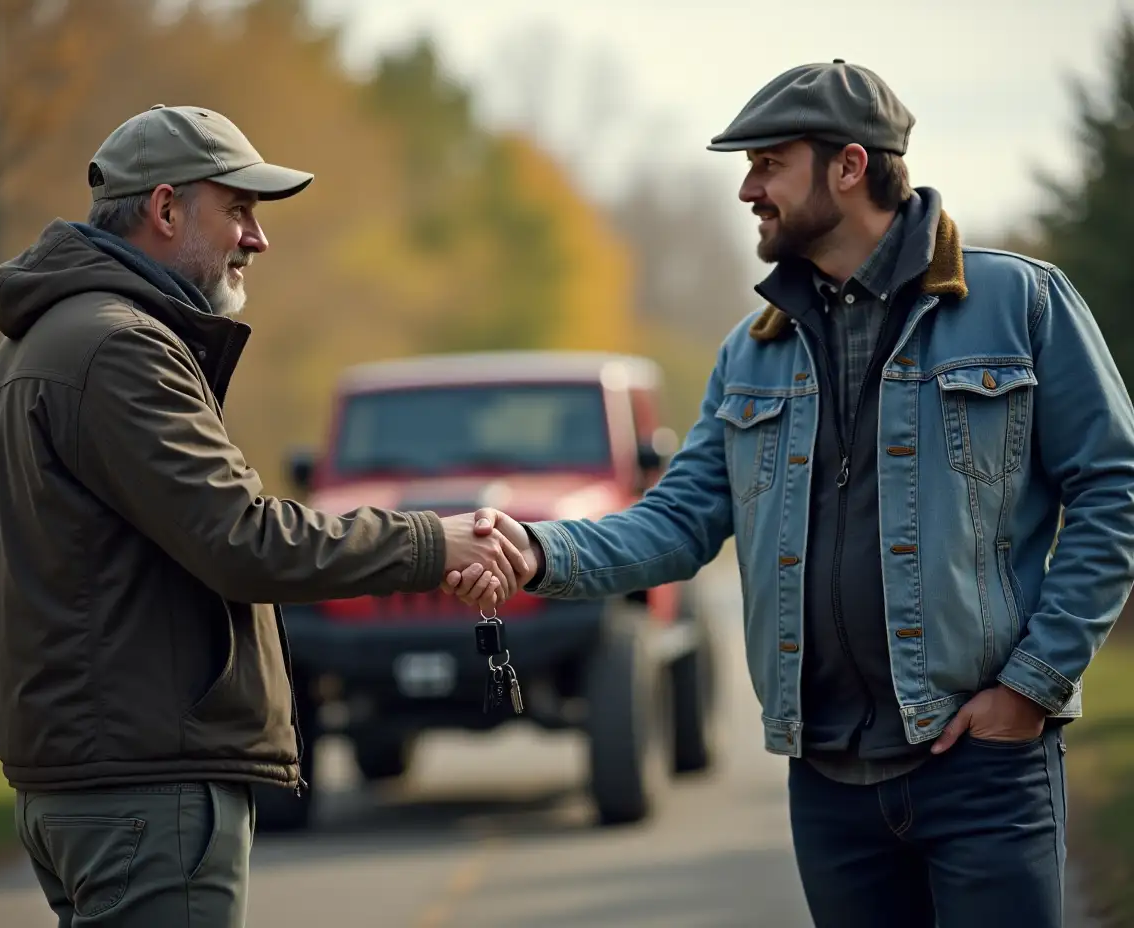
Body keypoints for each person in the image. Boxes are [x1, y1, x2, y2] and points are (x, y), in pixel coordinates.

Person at [443, 60, 1134, 927]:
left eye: (769, 162)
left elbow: (1116, 490)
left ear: (850, 166)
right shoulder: (752, 349)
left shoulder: (1019, 304)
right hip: (829, 781)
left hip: (983, 768)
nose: (747, 188)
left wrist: (1034, 684)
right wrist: (538, 549)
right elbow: (683, 517)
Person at [0, 104, 526, 928]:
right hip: (146, 791)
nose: (257, 238)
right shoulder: (120, 348)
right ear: (164, 211)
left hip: (88, 783)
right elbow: (244, 538)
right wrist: (428, 540)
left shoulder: (40, 343)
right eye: (238, 209)